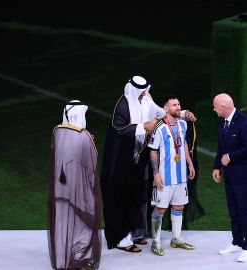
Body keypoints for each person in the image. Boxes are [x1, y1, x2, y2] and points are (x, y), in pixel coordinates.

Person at [100, 76, 195, 252]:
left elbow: (161, 112)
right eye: (141, 91)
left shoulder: (146, 99)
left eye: (145, 90)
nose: (144, 93)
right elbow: (118, 129)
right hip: (122, 158)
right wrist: (143, 126)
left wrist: (182, 113)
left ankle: (135, 232)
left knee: (137, 194)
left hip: (139, 155)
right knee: (122, 195)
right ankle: (121, 238)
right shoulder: (122, 104)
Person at [47, 100, 101, 270]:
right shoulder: (83, 135)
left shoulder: (56, 131)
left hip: (60, 187)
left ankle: (63, 258)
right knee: (87, 214)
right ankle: (82, 256)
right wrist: (89, 140)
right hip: (79, 187)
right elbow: (91, 161)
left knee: (62, 219)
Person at [212, 93, 247, 263]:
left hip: (245, 175)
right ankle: (237, 242)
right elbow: (221, 146)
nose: (214, 109)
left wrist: (230, 157)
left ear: (224, 107)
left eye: (215, 106)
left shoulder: (244, 122)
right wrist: (217, 166)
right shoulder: (222, 121)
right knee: (233, 211)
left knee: (244, 210)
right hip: (230, 174)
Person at [149, 94, 196, 256]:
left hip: (181, 175)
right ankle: (155, 241)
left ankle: (176, 239)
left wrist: (190, 163)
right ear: (166, 109)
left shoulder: (183, 124)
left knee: (179, 206)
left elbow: (183, 144)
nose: (178, 107)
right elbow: (153, 151)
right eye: (174, 105)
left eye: (179, 104)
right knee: (160, 209)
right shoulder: (159, 128)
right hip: (165, 176)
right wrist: (155, 173)